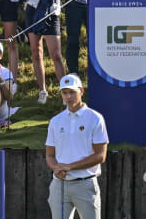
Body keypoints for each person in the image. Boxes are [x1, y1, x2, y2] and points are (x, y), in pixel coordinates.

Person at [45, 74, 108, 219]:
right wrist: (56, 168)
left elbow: (101, 155)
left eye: (72, 92)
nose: (68, 97)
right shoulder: (55, 121)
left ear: (81, 91)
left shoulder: (95, 118)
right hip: (59, 185)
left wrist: (70, 167)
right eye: (65, 93)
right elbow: (50, 155)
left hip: (85, 184)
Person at [23, 0, 65, 104]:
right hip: (33, 10)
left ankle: (65, 90)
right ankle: (42, 90)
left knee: (55, 54)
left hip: (51, 11)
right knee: (36, 52)